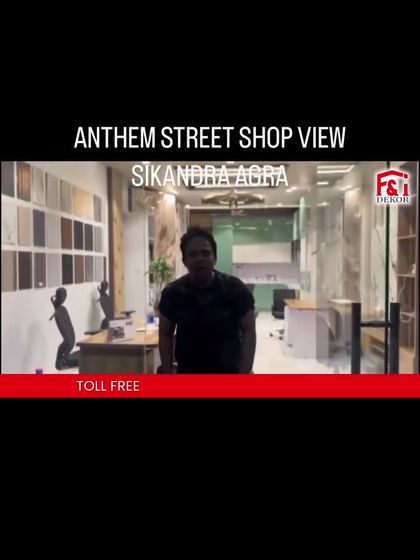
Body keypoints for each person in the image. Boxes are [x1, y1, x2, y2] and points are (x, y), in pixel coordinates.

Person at [158, 226, 256, 373]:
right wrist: (167, 371)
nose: (200, 258)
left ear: (214, 258)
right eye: (193, 254)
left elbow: (249, 332)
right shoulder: (172, 293)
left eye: (205, 253)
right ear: (184, 260)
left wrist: (245, 372)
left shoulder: (236, 289)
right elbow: (165, 334)